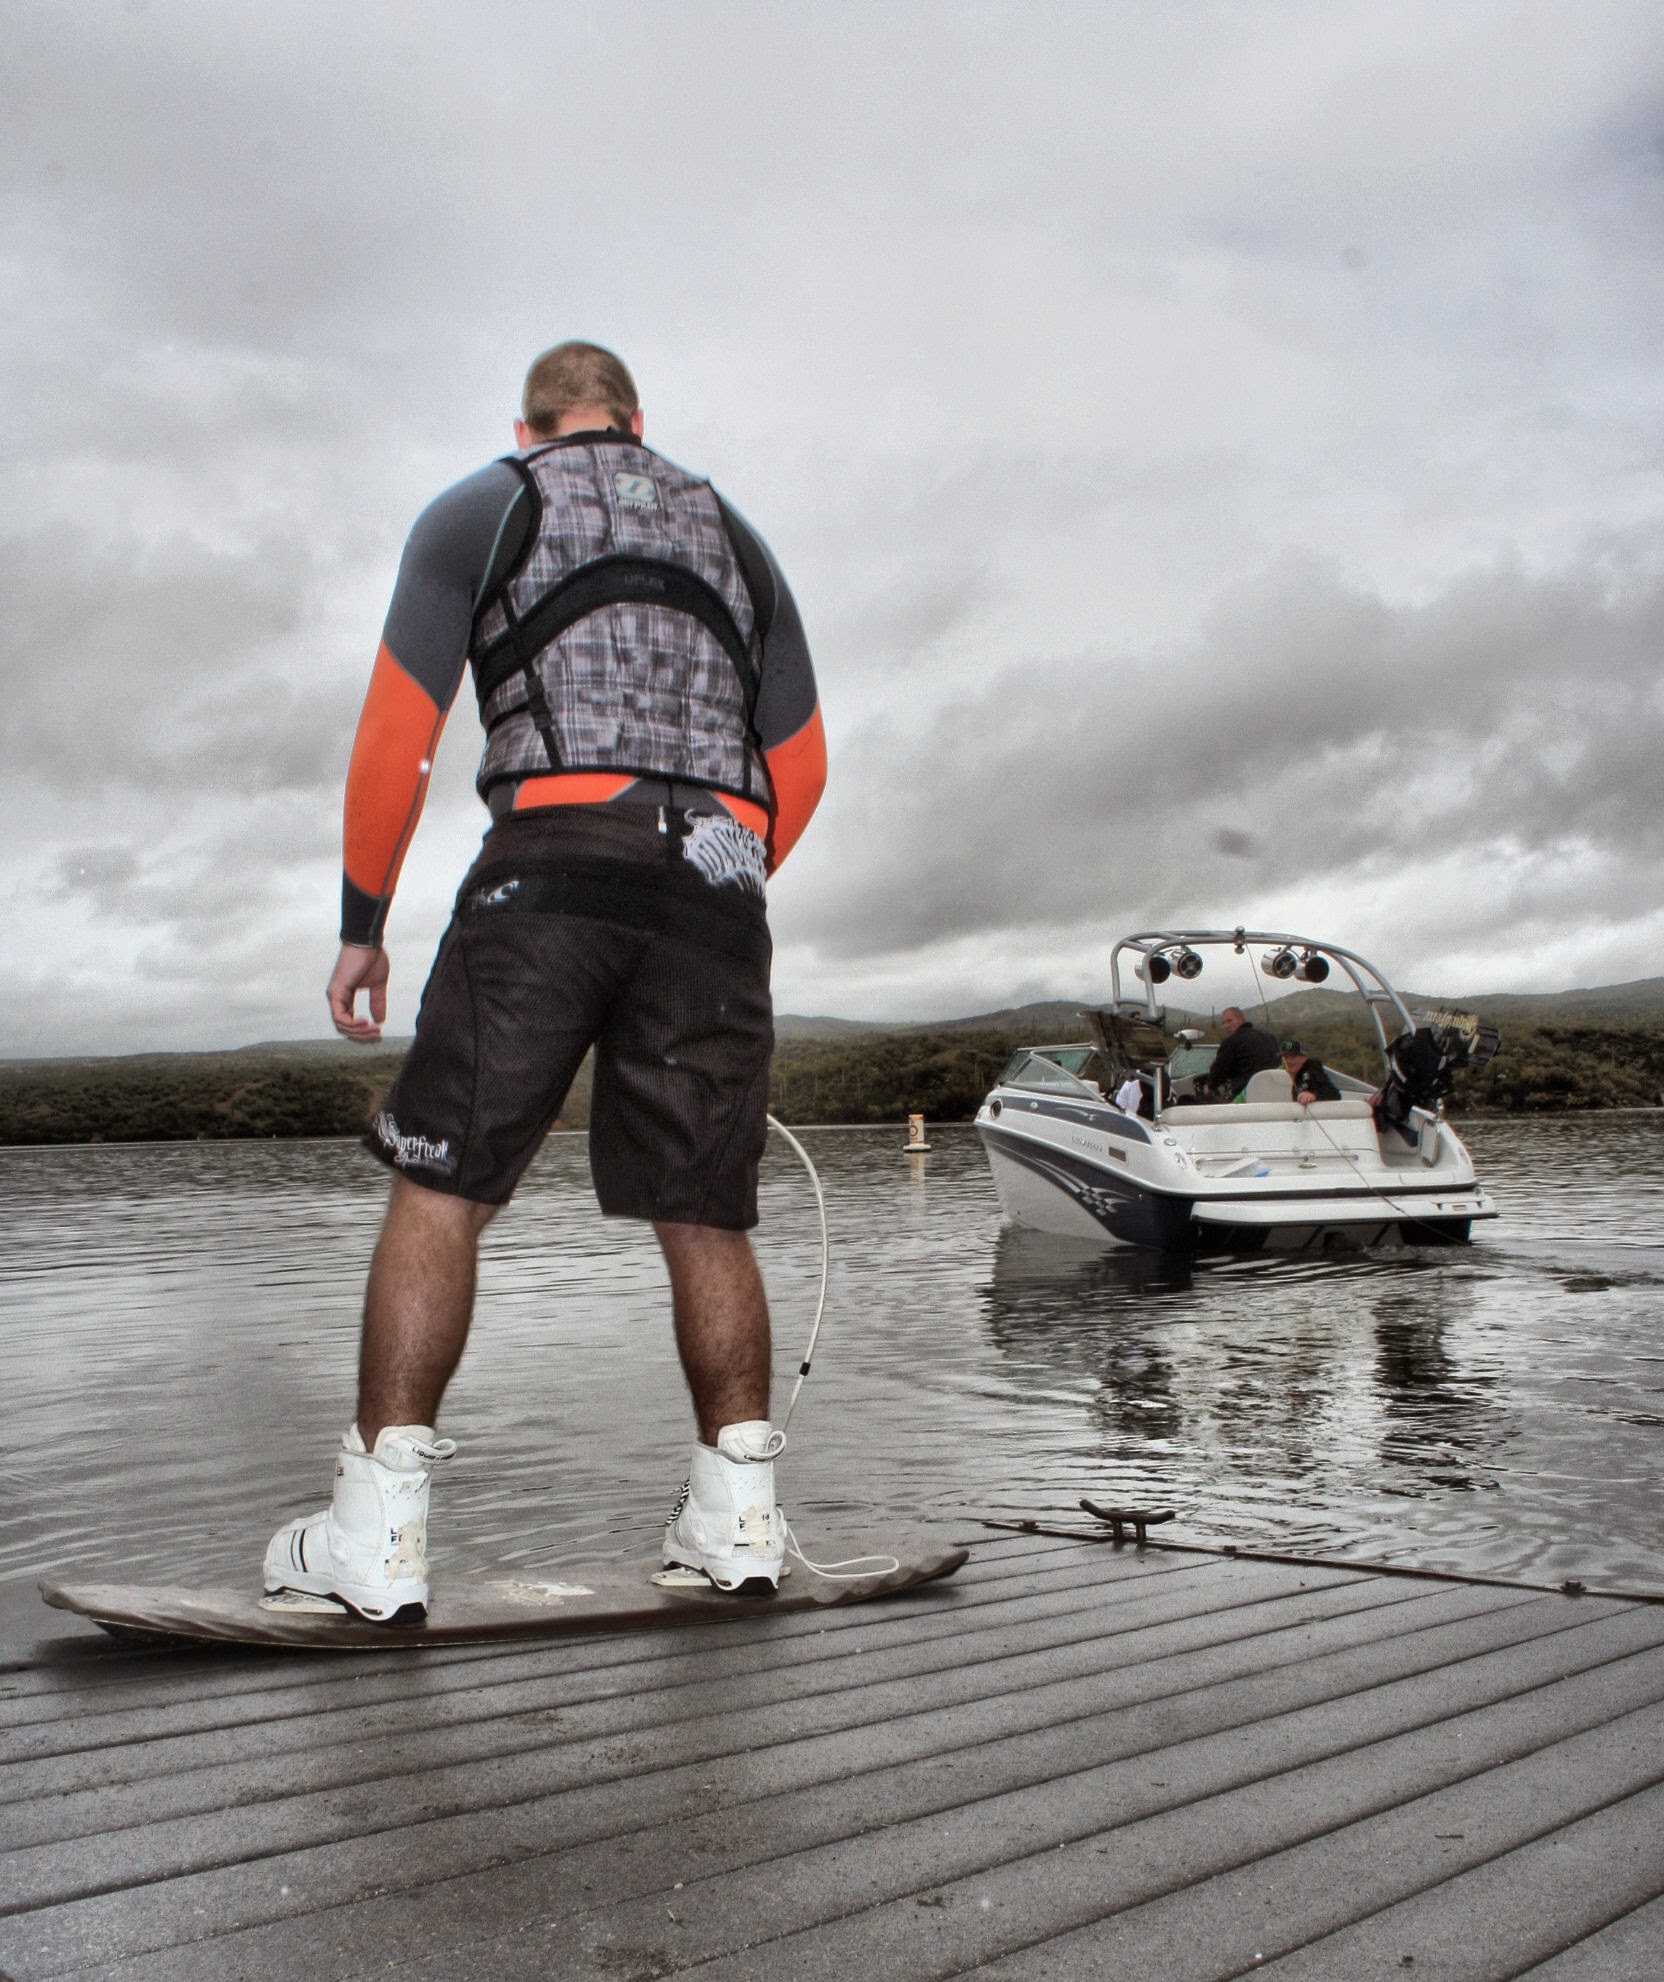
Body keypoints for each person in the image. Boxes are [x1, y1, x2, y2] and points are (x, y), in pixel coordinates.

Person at [262, 342, 826, 1622]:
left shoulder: (487, 502)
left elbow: (396, 734)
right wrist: (720, 871)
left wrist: (362, 921)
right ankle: (739, 1523)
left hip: (551, 868)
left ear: (528, 424)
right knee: (705, 1210)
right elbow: (804, 757)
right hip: (715, 890)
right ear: (639, 421)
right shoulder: (736, 533)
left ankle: (376, 1537)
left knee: (442, 1183)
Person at [1201, 1006, 1281, 1100]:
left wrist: (1209, 1086)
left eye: (1229, 1021)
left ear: (1242, 1019)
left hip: (1245, 1096)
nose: (1226, 1026)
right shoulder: (1270, 1038)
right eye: (1223, 1023)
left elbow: (1219, 1070)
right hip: (1275, 1094)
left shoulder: (1231, 1042)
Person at [1280, 1039, 1342, 1106]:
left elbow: (1334, 1093)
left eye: (1293, 1057)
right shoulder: (1297, 1078)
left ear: (1304, 1057)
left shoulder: (1312, 1071)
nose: (1289, 1061)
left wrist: (1313, 1096)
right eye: (1286, 1057)